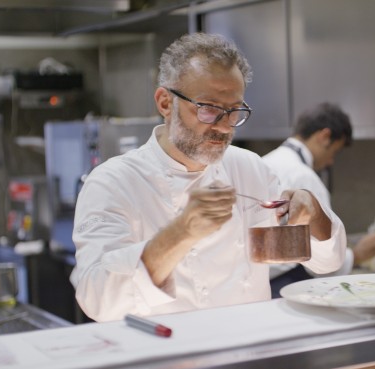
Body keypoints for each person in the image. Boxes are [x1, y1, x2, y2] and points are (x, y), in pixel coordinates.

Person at [69, 33, 346, 322]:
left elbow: (329, 262)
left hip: (252, 351)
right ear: (165, 103)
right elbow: (98, 300)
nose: (225, 127)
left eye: (234, 111)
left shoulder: (250, 168)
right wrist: (181, 233)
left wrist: (313, 213)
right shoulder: (113, 182)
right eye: (209, 109)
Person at [263, 103, 375, 297]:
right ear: (324, 136)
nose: (331, 161)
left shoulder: (264, 162)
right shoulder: (304, 178)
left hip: (261, 284)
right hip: (285, 285)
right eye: (334, 152)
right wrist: (357, 255)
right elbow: (322, 263)